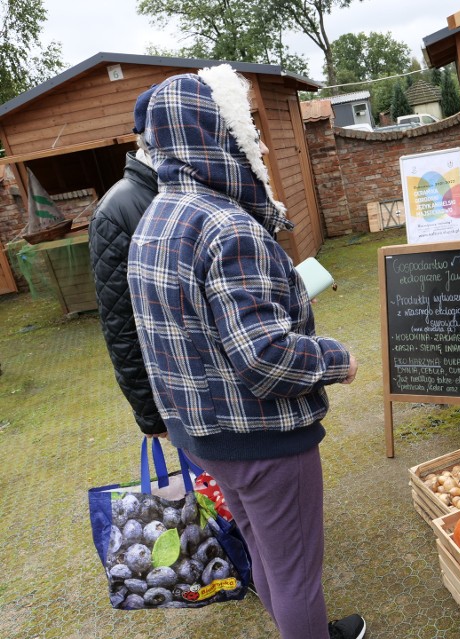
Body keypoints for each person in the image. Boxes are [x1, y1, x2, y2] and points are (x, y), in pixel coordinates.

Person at [126, 64, 365, 639]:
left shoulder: (153, 220)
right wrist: (338, 359)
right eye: (245, 128)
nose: (257, 142)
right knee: (297, 574)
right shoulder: (228, 227)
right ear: (213, 134)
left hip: (205, 437)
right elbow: (263, 357)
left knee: (267, 552)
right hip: (265, 440)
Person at [89, 85, 167, 438]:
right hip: (181, 393)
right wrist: (150, 415)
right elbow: (120, 323)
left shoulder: (197, 187)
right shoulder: (115, 211)